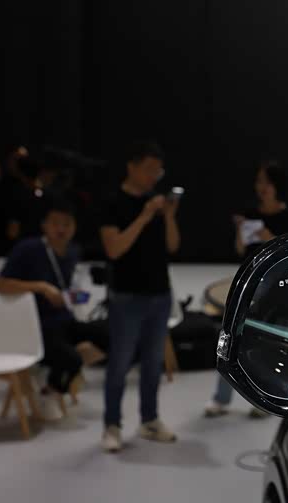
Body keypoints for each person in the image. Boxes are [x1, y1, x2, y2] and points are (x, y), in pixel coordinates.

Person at [98, 141, 180, 453]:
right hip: (126, 297)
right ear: (131, 167)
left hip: (160, 294)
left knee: (152, 363)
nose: (153, 177)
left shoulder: (156, 203)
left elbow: (172, 246)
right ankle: (112, 424)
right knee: (119, 364)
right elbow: (114, 249)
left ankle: (149, 419)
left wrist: (168, 216)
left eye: (157, 171)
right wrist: (144, 217)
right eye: (148, 170)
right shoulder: (113, 202)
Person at [0, 198, 107, 418]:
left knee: (112, 335)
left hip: (64, 319)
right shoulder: (28, 248)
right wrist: (40, 287)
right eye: (55, 223)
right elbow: (2, 285)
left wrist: (74, 296)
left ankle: (55, 370)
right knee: (71, 359)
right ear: (44, 225)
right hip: (35, 326)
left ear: (74, 226)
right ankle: (52, 389)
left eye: (67, 224)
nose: (61, 229)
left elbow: (66, 286)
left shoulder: (73, 251)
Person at [205, 161, 288, 417]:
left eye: (266, 182)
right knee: (229, 340)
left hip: (275, 291)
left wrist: (268, 236)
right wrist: (240, 230)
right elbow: (240, 250)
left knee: (265, 346)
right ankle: (221, 398)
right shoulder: (250, 214)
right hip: (248, 285)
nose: (261, 187)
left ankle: (263, 400)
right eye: (259, 182)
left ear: (277, 186)